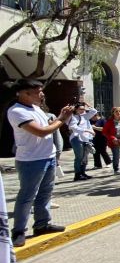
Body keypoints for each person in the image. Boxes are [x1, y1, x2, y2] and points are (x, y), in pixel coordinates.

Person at [6, 79, 73, 247]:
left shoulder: (36, 109)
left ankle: (42, 224)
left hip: (47, 156)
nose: (42, 94)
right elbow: (41, 132)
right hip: (31, 160)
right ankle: (18, 231)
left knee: (45, 193)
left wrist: (59, 117)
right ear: (24, 93)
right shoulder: (17, 111)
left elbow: (48, 126)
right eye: (38, 91)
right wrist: (62, 119)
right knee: (27, 196)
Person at [68, 102, 98, 181]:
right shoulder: (73, 117)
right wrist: (87, 130)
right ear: (76, 109)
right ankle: (77, 175)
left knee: (85, 157)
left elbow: (94, 111)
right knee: (79, 157)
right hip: (77, 138)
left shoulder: (85, 116)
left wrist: (87, 104)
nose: (82, 110)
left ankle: (83, 173)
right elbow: (73, 127)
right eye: (80, 109)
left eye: (83, 109)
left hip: (86, 139)